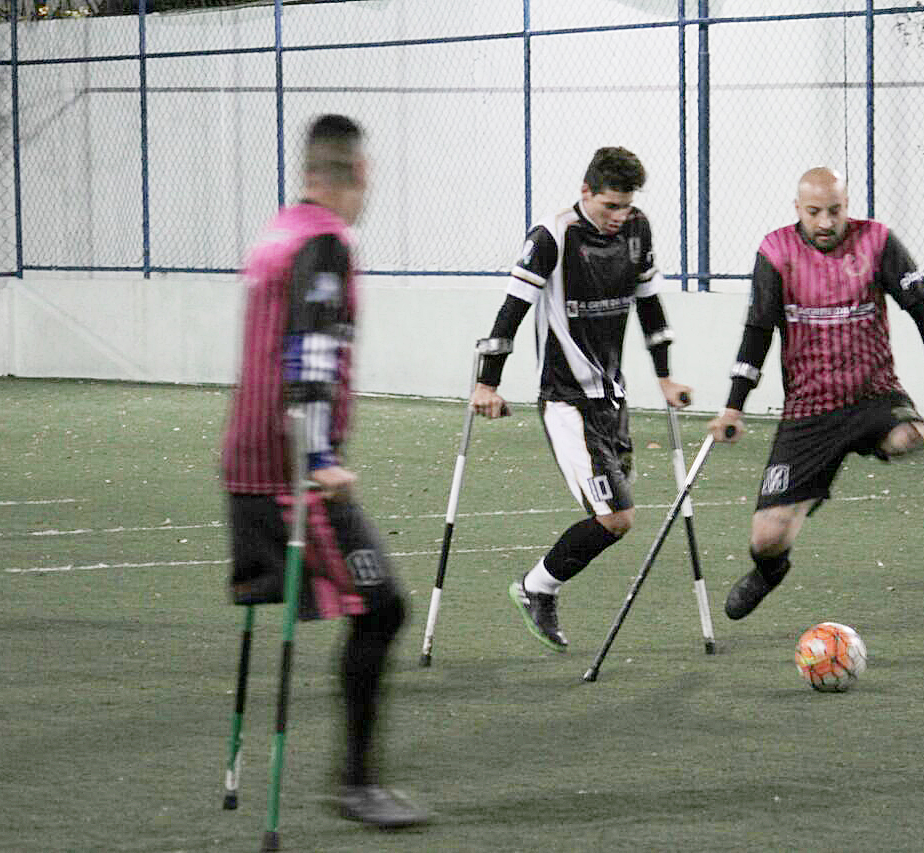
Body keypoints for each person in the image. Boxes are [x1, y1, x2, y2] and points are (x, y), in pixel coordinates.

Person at [219, 114, 429, 828]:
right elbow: (308, 349)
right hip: (289, 474)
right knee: (385, 607)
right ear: (357, 173)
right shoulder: (325, 244)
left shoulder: (278, 230)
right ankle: (357, 784)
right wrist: (318, 458)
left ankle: (355, 780)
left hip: (248, 465)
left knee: (374, 607)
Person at [707, 166, 924, 620]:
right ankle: (771, 571)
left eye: (835, 211)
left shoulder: (877, 242)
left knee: (914, 437)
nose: (826, 223)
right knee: (766, 539)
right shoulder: (776, 251)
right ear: (798, 210)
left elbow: (922, 311)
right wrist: (734, 406)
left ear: (847, 206)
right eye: (814, 213)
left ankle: (865, 445)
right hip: (808, 411)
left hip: (874, 395)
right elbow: (758, 331)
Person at [471, 146, 692, 652]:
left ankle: (537, 588)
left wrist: (666, 376)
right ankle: (535, 588)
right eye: (609, 205)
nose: (619, 217)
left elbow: (650, 305)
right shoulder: (552, 236)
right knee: (615, 516)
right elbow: (511, 313)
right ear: (585, 192)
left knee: (615, 516)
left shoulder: (637, 230)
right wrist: (488, 382)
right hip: (566, 401)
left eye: (626, 206)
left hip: (612, 399)